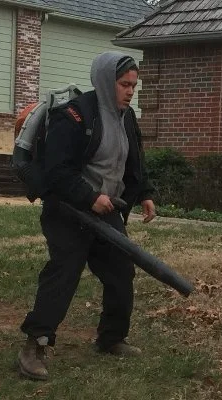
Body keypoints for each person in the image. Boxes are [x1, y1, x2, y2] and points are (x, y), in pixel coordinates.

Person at [17, 51, 157, 381]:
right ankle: (34, 346)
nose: (130, 91)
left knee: (121, 270)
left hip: (104, 212)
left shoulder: (127, 116)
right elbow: (56, 172)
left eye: (134, 86)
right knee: (65, 270)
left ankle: (111, 339)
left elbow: (133, 159)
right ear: (106, 82)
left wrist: (146, 193)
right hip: (67, 209)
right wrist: (90, 197)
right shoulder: (75, 116)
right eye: (124, 84)